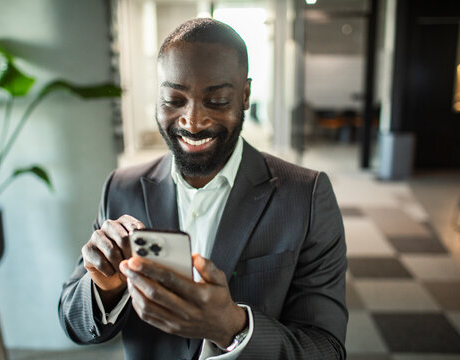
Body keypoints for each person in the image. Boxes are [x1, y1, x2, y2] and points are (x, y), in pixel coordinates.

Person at [58, 18, 348, 360]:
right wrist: (104, 289)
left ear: (245, 95)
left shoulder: (306, 197)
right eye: (173, 100)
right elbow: (74, 324)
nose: (193, 122)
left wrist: (231, 326)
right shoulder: (121, 188)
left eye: (217, 101)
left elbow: (326, 350)